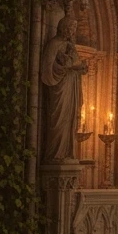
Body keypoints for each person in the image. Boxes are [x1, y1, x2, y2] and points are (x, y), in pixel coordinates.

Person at [40, 14, 88, 162]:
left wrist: (79, 68)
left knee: (69, 120)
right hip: (59, 88)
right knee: (58, 119)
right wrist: (66, 68)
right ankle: (55, 154)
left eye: (74, 29)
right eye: (71, 28)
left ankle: (66, 152)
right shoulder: (54, 44)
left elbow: (74, 63)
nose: (72, 32)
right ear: (63, 28)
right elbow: (47, 70)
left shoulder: (69, 46)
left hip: (71, 86)